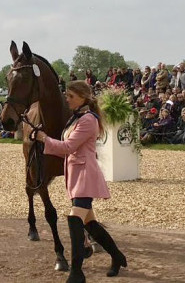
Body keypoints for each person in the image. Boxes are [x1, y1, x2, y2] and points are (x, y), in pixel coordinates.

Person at [35, 81, 127, 282]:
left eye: (71, 97)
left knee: (74, 219)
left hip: (85, 176)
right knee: (91, 224)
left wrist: (44, 139)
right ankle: (117, 256)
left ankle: (77, 271)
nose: (67, 99)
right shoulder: (77, 118)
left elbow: (68, 147)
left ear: (83, 98)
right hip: (77, 176)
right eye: (67, 96)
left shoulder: (88, 120)